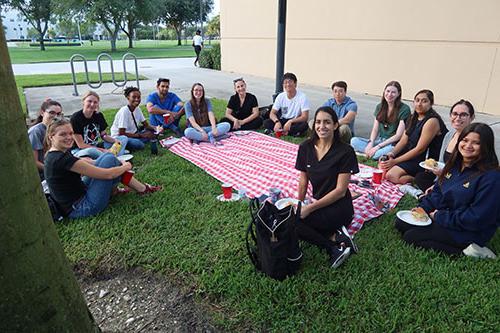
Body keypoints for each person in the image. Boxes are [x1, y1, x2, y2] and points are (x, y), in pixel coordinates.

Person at [395, 123, 499, 255]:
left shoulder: (491, 177)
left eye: (476, 143)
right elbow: (438, 192)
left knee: (411, 237)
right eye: (465, 140)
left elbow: (478, 217)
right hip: (447, 217)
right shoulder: (454, 164)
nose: (468, 146)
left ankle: (472, 251)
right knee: (401, 223)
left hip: (469, 229)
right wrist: (424, 208)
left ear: (486, 147)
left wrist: (439, 216)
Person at [44, 119, 161, 219]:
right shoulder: (61, 159)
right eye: (63, 134)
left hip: (78, 196)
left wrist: (106, 162)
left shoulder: (54, 153)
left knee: (108, 158)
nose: (69, 137)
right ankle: (141, 189)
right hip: (81, 208)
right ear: (51, 137)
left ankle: (124, 190)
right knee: (110, 159)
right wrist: (126, 166)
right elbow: (107, 175)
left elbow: (86, 163)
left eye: (70, 133)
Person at [295, 106, 360, 268]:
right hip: (318, 203)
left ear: (336, 125)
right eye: (318, 122)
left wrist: (310, 208)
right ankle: (337, 237)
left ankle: (333, 248)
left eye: (327, 122)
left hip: (339, 207)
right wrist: (299, 204)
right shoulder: (305, 147)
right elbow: (303, 180)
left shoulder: (346, 152)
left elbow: (340, 191)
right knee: (290, 217)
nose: (321, 126)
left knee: (293, 225)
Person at [379, 89, 448, 184]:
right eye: (417, 100)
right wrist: (391, 154)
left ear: (431, 104)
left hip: (426, 161)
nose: (419, 104)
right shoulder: (413, 117)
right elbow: (403, 141)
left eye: (424, 101)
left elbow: (420, 149)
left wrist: (395, 161)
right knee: (383, 166)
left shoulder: (432, 121)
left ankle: (414, 178)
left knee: (391, 175)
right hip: (411, 155)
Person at [415, 100, 475, 192]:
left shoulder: (472, 141)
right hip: (443, 176)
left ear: (472, 117)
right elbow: (441, 162)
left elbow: (468, 171)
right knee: (421, 177)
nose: (458, 118)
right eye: (455, 114)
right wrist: (435, 169)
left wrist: (444, 174)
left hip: (461, 180)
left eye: (463, 115)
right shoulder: (449, 135)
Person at [351, 81, 411, 160]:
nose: (389, 95)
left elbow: (398, 135)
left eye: (393, 92)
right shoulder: (380, 107)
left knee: (380, 153)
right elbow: (375, 129)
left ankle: (369, 153)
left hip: (392, 143)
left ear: (398, 94)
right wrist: (371, 143)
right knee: (354, 141)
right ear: (384, 92)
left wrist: (378, 146)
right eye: (388, 91)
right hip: (380, 140)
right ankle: (372, 153)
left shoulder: (404, 109)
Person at [70, 91, 128, 159]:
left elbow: (104, 136)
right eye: (89, 101)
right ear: (83, 102)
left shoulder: (98, 115)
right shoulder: (75, 118)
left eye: (95, 102)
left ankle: (111, 156)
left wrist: (115, 141)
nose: (92, 104)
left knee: (123, 138)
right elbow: (81, 145)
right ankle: (115, 156)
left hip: (96, 146)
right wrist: (103, 150)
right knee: (91, 151)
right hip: (80, 150)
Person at [111, 87, 161, 151]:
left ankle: (143, 138)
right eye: (134, 97)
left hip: (134, 133)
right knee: (139, 144)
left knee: (152, 133)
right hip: (121, 138)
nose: (137, 99)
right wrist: (141, 135)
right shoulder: (124, 111)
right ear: (128, 98)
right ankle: (125, 145)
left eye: (138, 97)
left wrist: (156, 128)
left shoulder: (137, 109)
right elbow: (122, 134)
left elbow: (146, 125)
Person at [263, 72, 310, 137]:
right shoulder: (280, 96)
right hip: (282, 120)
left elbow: (305, 117)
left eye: (290, 82)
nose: (288, 84)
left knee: (304, 125)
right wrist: (277, 122)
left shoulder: (302, 97)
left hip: (294, 121)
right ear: (283, 85)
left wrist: (290, 121)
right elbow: (272, 113)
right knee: (266, 122)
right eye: (285, 82)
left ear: (295, 84)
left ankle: (281, 131)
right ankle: (289, 132)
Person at [28, 99, 63, 180]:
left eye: (58, 114)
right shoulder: (36, 132)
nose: (55, 117)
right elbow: (34, 162)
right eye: (51, 112)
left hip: (59, 165)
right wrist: (55, 170)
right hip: (45, 174)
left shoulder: (57, 129)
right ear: (42, 112)